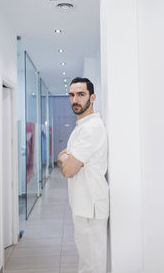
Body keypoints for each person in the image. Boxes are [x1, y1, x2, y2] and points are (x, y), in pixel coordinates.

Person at [57, 77, 109, 273]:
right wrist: (66, 158)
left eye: (81, 94)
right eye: (71, 95)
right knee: (86, 262)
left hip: (90, 207)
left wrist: (66, 159)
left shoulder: (91, 128)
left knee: (92, 265)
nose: (75, 100)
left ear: (92, 97)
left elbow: (68, 169)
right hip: (83, 205)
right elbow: (62, 158)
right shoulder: (82, 127)